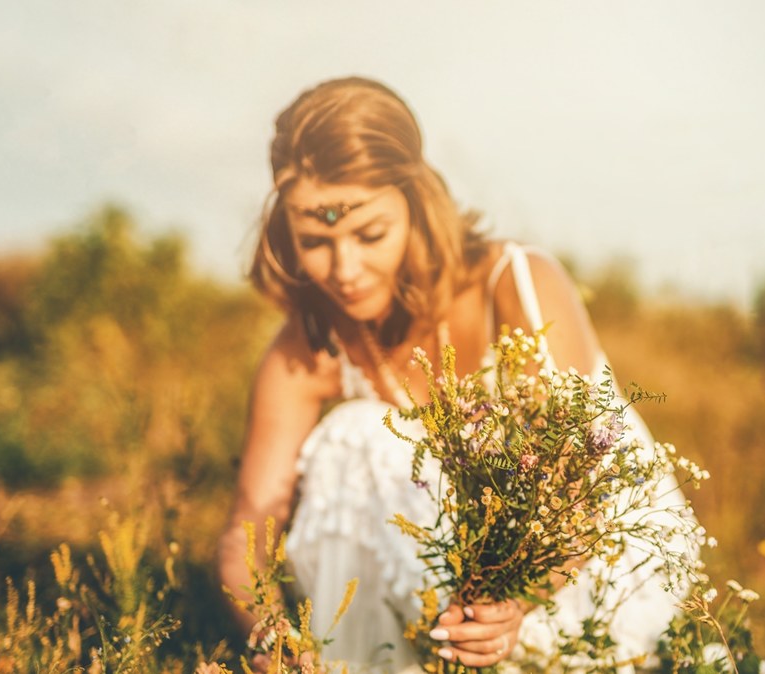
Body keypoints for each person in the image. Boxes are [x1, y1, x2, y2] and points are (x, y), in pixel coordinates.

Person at [217, 77, 687, 673]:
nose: (345, 268)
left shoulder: (516, 283)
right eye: (315, 240)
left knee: (362, 435)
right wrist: (269, 636)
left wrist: (515, 603)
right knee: (353, 439)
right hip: (457, 588)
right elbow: (247, 529)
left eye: (370, 234)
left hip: (591, 562)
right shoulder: (309, 346)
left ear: (416, 204)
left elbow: (580, 489)